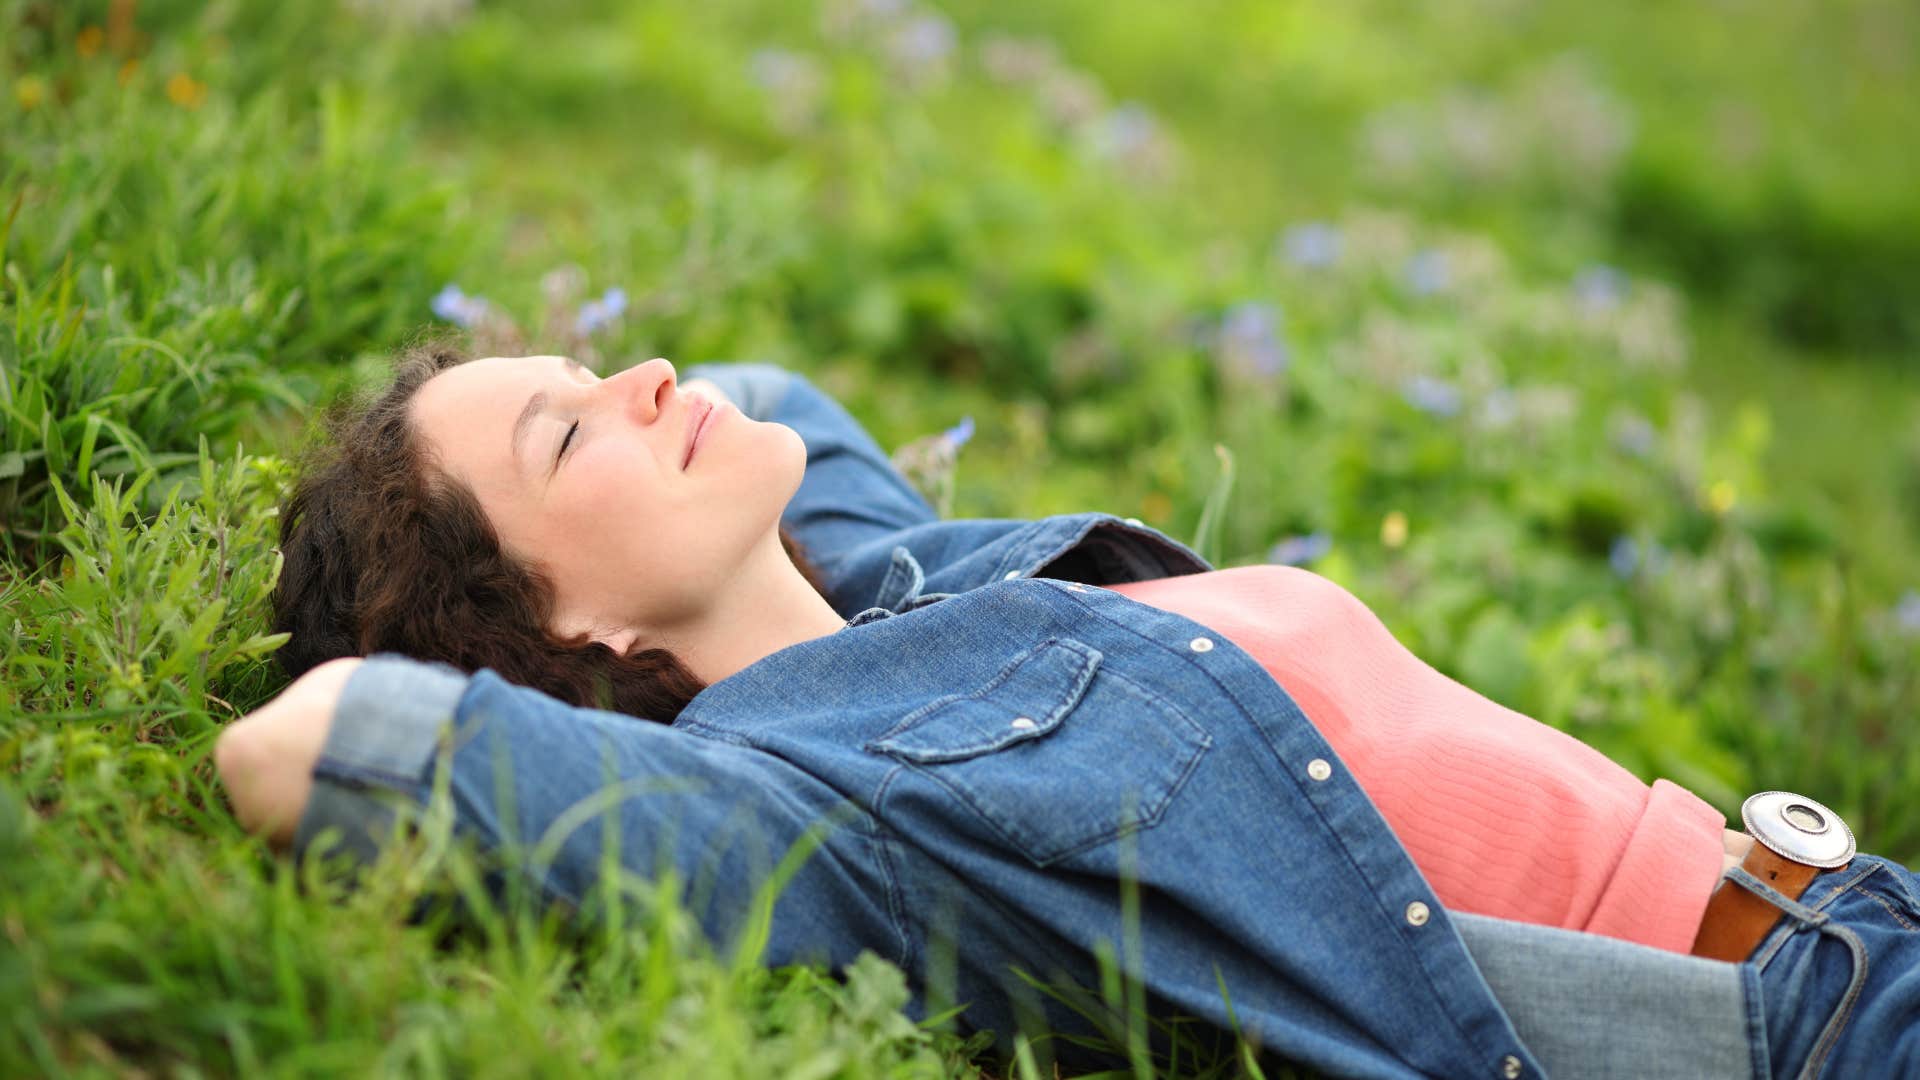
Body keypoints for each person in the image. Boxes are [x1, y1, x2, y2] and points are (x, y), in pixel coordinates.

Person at [214, 343, 1920, 1078]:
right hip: (1797, 1036)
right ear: (559, 633)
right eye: (570, 436)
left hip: (1854, 915)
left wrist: (564, 435)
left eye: (596, 371)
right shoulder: (838, 815)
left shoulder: (907, 586)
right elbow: (311, 747)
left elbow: (778, 393)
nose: (646, 379)